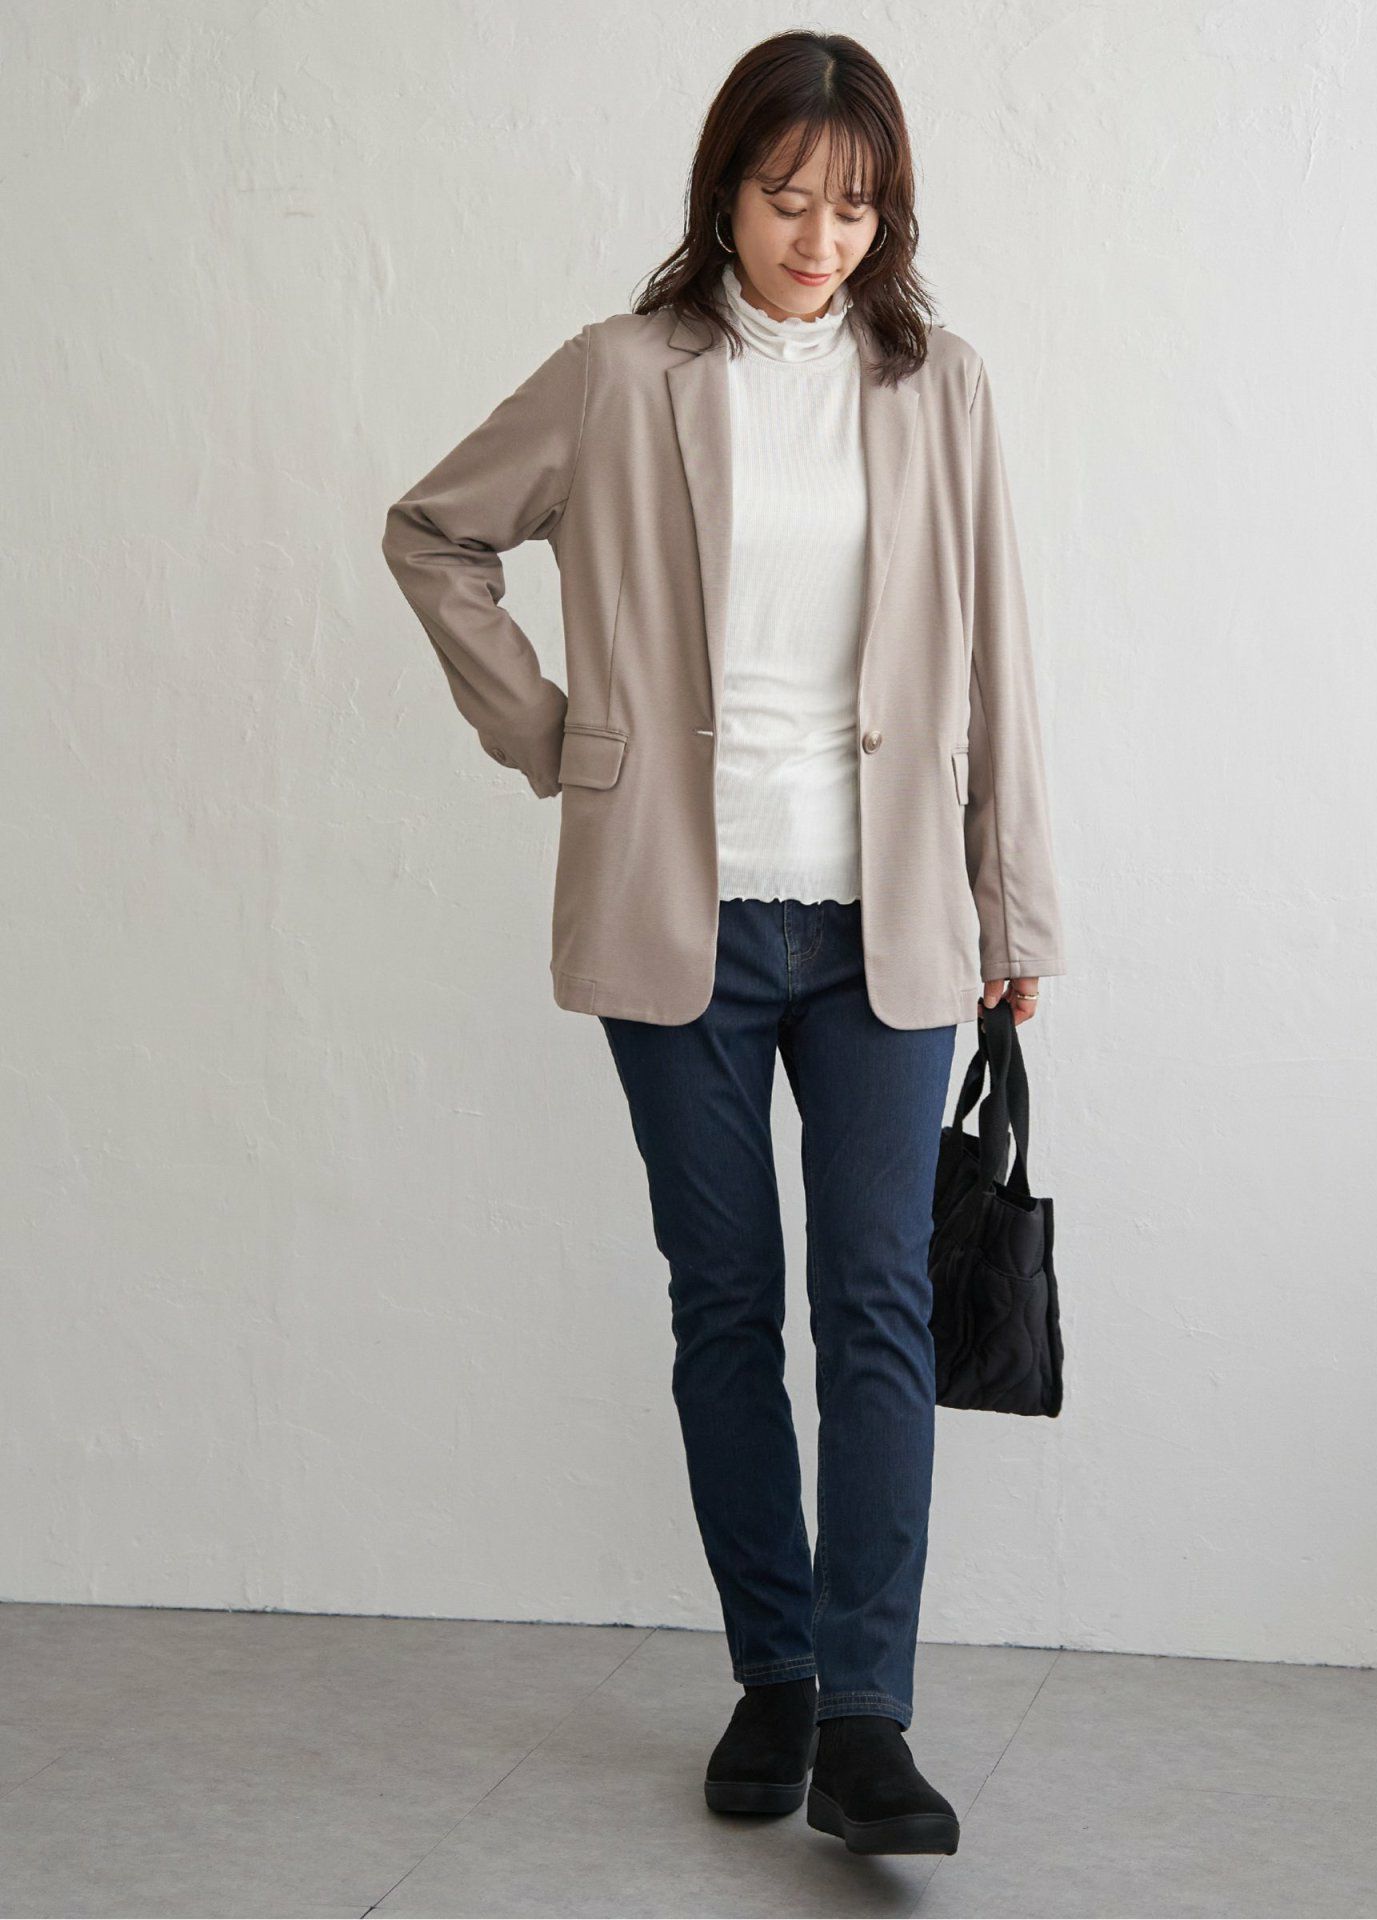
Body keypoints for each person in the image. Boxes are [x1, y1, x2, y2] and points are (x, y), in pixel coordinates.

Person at [382, 29, 1066, 1860]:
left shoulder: (940, 386)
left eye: (854, 208)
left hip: (886, 921)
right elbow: (434, 533)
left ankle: (867, 1718)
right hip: (678, 910)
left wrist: (1015, 905)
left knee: (880, 1303)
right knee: (725, 1302)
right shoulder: (622, 376)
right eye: (785, 199)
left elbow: (1001, 656)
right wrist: (554, 737)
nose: (818, 240)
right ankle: (775, 1669)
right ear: (724, 194)